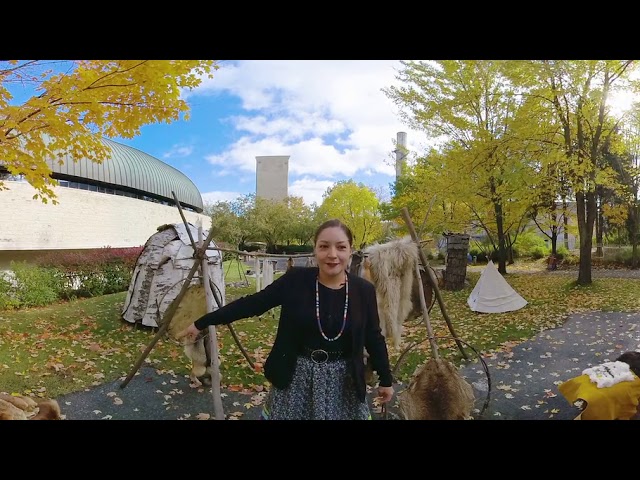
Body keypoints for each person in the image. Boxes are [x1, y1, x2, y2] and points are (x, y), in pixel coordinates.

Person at [177, 219, 394, 420]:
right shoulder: (295, 281)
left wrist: (386, 380)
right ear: (315, 250)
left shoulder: (363, 290)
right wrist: (202, 322)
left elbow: (373, 336)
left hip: (343, 383)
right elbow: (253, 304)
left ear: (350, 250)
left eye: (341, 247)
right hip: (295, 379)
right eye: (324, 246)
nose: (332, 254)